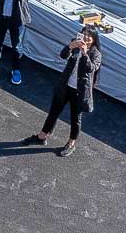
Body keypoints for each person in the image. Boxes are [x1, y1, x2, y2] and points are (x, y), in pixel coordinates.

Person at [28, 26, 102, 157]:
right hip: (65, 86)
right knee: (53, 112)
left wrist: (84, 53)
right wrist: (70, 46)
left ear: (94, 39)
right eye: (84, 33)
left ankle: (71, 143)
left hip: (79, 90)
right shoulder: (76, 42)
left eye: (88, 36)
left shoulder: (96, 54)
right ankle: (42, 136)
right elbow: (63, 55)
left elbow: (91, 69)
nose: (85, 37)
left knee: (75, 118)